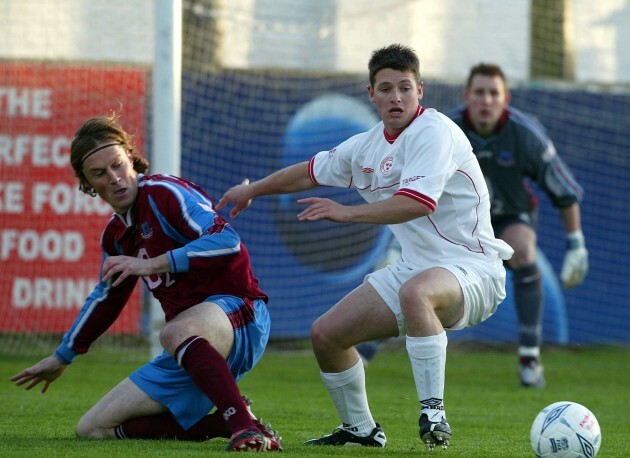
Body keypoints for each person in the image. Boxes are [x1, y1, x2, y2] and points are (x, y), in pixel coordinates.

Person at [217, 44, 514, 451]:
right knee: (326, 335)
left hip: (475, 269)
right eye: (386, 88)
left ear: (420, 91)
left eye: (405, 88)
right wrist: (254, 190)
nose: (396, 97)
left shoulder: (436, 131)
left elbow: (417, 203)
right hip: (418, 269)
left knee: (417, 292)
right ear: (370, 94)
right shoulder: (365, 147)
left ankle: (434, 414)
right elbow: (309, 172)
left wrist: (348, 213)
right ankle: (360, 430)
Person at [10, 113, 282, 452]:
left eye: (118, 165)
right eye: (99, 174)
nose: (115, 179)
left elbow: (227, 242)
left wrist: (151, 264)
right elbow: (105, 298)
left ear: (131, 158)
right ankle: (222, 422)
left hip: (240, 314)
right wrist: (63, 356)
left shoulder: (165, 193)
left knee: (172, 332)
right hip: (191, 344)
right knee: (93, 428)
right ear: (87, 184)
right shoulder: (115, 236)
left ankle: (246, 428)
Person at [358, 64, 588, 388]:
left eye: (493, 93)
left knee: (523, 251)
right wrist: (397, 246)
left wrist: (576, 244)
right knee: (414, 279)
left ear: (506, 98)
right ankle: (366, 348)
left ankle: (529, 359)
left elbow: (564, 191)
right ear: (466, 97)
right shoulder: (442, 128)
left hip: (507, 219)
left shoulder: (526, 134)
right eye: (479, 93)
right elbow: (408, 190)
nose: (486, 101)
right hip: (454, 224)